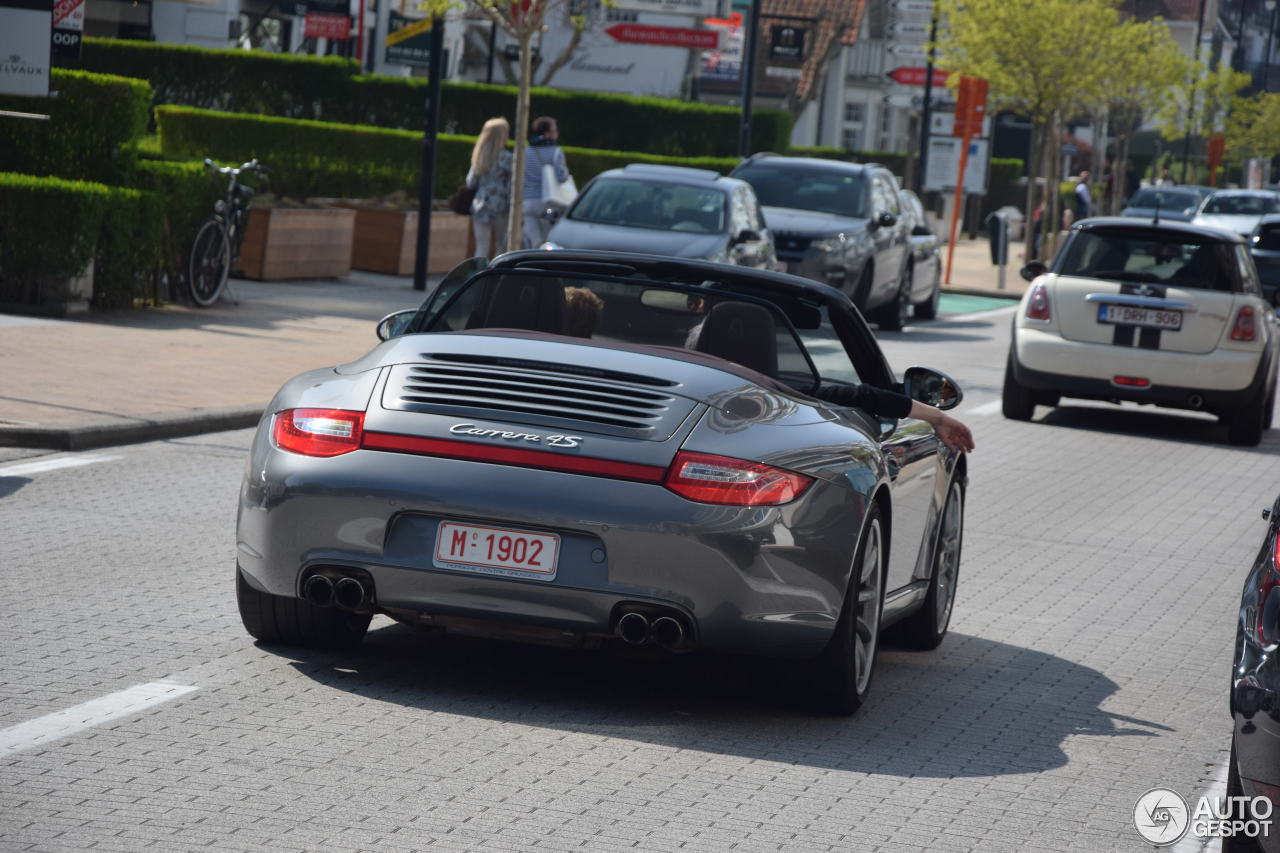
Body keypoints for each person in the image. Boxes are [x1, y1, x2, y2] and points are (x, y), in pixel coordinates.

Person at [814, 382, 975, 454]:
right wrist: (937, 417)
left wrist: (938, 418)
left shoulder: (789, 394)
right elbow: (862, 396)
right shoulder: (798, 395)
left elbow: (863, 396)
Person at [465, 117, 513, 258]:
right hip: (501, 206)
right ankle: (498, 277)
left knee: (481, 246)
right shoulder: (508, 158)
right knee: (502, 247)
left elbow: (470, 182)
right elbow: (512, 186)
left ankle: (479, 275)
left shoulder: (480, 157)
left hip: (480, 205)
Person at [522, 116, 572, 249]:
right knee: (546, 243)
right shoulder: (556, 152)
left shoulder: (526, 151)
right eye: (554, 130)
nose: (557, 133)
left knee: (533, 241)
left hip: (526, 201)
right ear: (547, 133)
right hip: (547, 202)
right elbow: (562, 177)